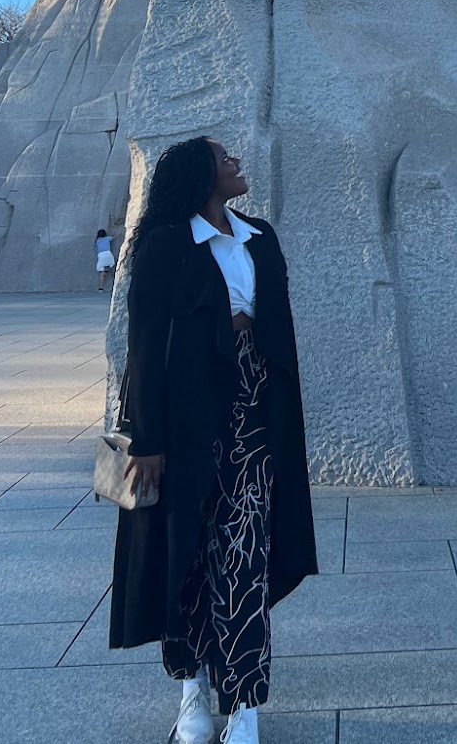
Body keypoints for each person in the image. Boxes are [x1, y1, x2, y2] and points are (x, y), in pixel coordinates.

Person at [108, 137, 317, 744]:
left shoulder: (261, 238)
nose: (237, 163)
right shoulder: (167, 243)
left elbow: (280, 333)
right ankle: (191, 690)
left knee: (244, 556)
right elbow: (144, 346)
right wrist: (146, 439)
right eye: (226, 158)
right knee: (188, 553)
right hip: (184, 422)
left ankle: (245, 704)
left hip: (255, 416)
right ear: (202, 175)